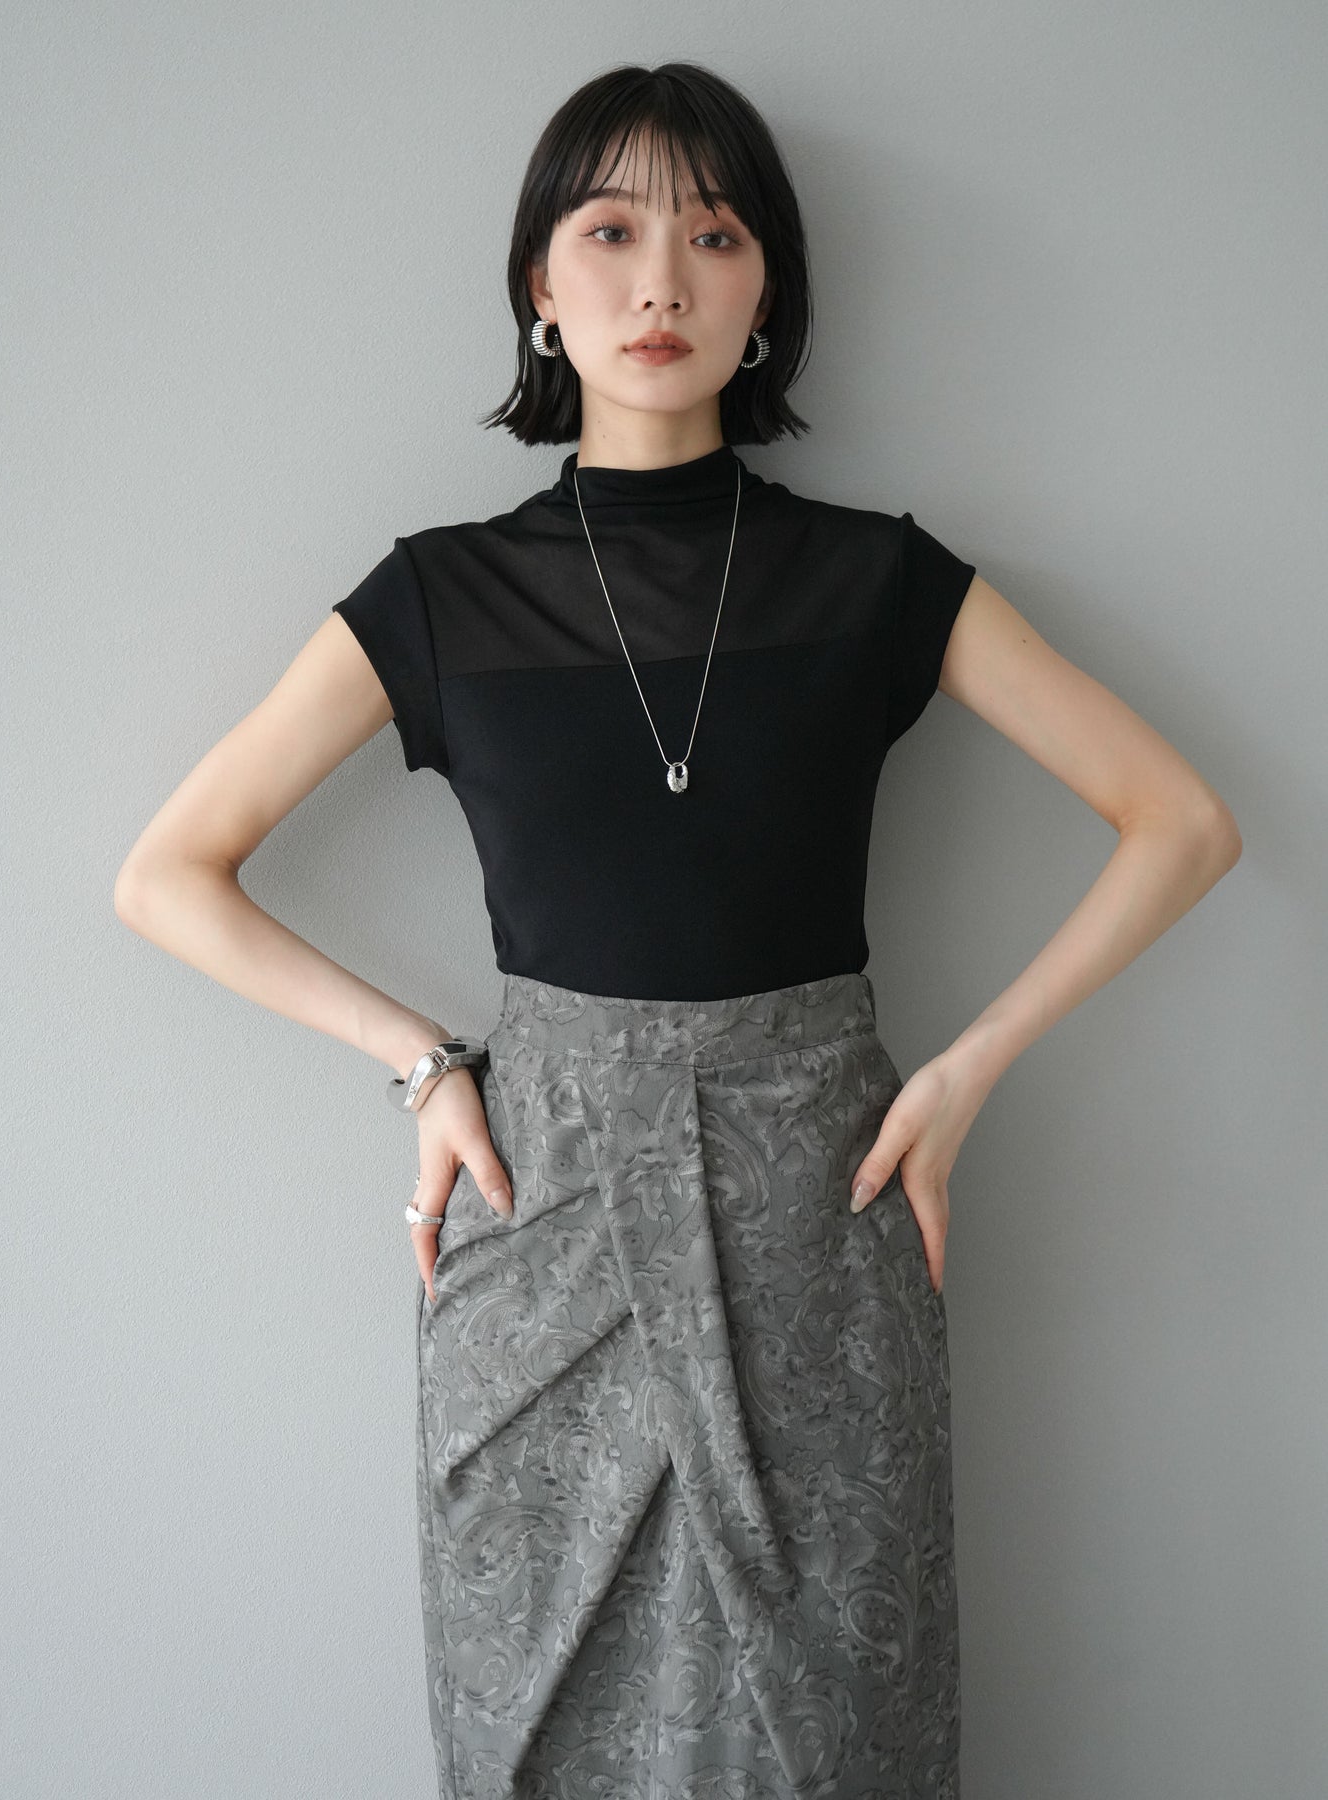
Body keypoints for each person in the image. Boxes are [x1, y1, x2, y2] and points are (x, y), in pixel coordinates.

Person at [114, 59, 1241, 1800]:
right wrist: (420, 1063)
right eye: (611, 233)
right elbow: (168, 873)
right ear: (538, 286)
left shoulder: (871, 579)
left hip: (821, 1214)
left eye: (713, 237)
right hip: (543, 1226)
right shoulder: (442, 594)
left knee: (843, 1732)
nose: (660, 283)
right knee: (535, 1731)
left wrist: (963, 1075)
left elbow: (1180, 822)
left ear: (765, 291)